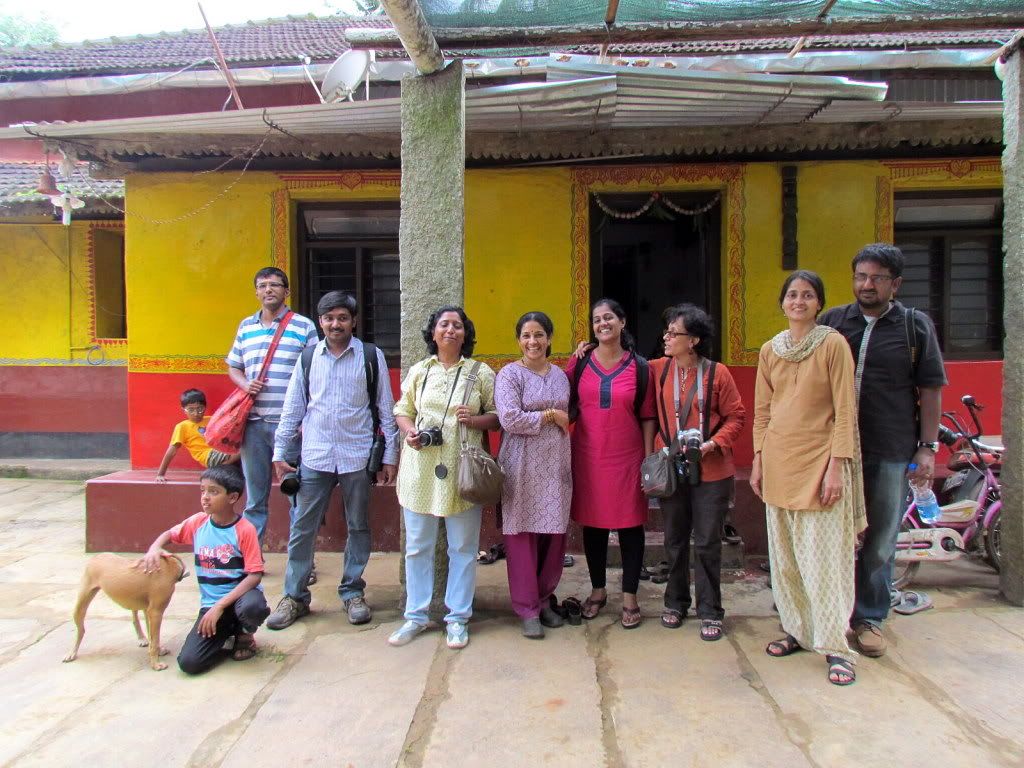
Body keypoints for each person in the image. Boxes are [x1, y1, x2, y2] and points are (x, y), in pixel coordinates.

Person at [819, 243, 947, 658]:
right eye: (861, 276)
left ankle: (870, 617)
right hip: (835, 450)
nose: (867, 284)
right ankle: (829, 613)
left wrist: (927, 448)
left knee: (879, 540)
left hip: (889, 447)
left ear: (896, 284)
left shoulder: (914, 326)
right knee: (833, 535)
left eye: (876, 278)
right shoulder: (834, 322)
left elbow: (929, 390)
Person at [750, 270, 866, 686]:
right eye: (792, 295)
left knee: (823, 561)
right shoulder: (770, 350)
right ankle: (797, 630)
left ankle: (835, 646)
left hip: (821, 463)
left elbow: (844, 410)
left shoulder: (833, 344)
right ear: (782, 303)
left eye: (808, 295)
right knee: (786, 559)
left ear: (819, 304)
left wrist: (838, 465)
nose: (799, 301)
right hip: (780, 462)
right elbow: (763, 411)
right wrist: (759, 459)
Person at [265, 291, 399, 630]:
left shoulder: (371, 356)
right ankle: (294, 596)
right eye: (328, 318)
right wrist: (280, 452)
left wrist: (389, 455)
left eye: (342, 317)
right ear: (320, 322)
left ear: (353, 321)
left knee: (358, 526)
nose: (335, 324)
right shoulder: (308, 357)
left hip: (356, 456)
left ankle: (352, 591)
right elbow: (294, 406)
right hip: (315, 456)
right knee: (302, 528)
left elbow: (385, 407)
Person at [389, 306, 499, 650]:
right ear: (433, 333)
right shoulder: (420, 371)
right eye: (443, 325)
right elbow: (402, 410)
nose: (450, 330)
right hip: (420, 470)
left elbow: (498, 416)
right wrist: (409, 433)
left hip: (463, 472)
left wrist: (476, 420)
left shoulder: (480, 373)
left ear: (465, 334)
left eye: (457, 325)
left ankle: (457, 618)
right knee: (418, 547)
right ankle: (416, 616)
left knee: (463, 549)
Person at [649, 304, 745, 640]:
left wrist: (713, 444)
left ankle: (710, 610)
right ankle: (675, 602)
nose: (666, 337)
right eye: (667, 331)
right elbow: (622, 370)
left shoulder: (717, 373)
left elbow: (737, 417)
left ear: (694, 340)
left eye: (673, 333)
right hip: (673, 470)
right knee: (674, 540)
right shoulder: (658, 370)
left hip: (712, 469)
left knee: (706, 542)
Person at [568, 298, 656, 629]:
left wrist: (647, 456)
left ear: (622, 322)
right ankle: (598, 590)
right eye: (596, 320)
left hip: (628, 456)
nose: (602, 324)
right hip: (589, 455)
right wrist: (575, 355)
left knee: (631, 525)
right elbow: (559, 393)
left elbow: (648, 415)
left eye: (609, 318)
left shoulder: (640, 367)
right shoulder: (579, 364)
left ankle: (630, 596)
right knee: (594, 526)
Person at [141, 465, 270, 675]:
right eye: (202, 490)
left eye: (214, 491)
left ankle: (244, 635)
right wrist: (154, 547)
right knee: (189, 663)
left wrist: (220, 606)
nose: (205, 497)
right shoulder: (198, 523)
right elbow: (170, 534)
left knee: (253, 607)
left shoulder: (244, 529)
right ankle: (226, 631)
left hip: (238, 599)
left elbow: (255, 575)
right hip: (210, 606)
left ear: (232, 497)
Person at [495, 311, 572, 639]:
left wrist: (547, 418)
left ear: (550, 338)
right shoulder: (509, 375)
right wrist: (552, 414)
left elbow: (568, 419)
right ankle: (525, 607)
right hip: (521, 464)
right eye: (526, 335)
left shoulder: (560, 375)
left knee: (553, 534)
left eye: (539, 334)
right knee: (522, 533)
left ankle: (543, 600)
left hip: (555, 463)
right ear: (518, 340)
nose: (533, 341)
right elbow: (510, 419)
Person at [226, 267, 318, 542]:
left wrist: (305, 420)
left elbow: (317, 372)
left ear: (286, 291)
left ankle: (301, 563)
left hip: (289, 426)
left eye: (275, 285)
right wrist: (245, 384)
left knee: (296, 495)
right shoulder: (246, 327)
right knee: (255, 498)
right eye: (263, 285)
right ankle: (252, 559)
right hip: (252, 425)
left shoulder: (303, 326)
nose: (269, 290)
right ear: (256, 291)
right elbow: (234, 367)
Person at [154, 389, 239, 482]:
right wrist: (160, 474)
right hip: (208, 456)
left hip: (221, 450)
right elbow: (172, 451)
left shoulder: (211, 419)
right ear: (184, 410)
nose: (196, 413)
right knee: (245, 449)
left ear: (205, 407)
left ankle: (221, 468)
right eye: (191, 410)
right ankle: (218, 468)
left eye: (200, 409)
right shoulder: (182, 426)